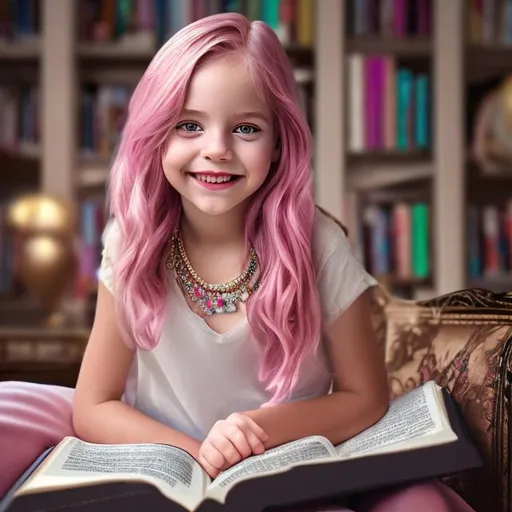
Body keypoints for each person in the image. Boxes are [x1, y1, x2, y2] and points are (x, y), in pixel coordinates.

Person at [0, 13, 475, 512]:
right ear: (156, 135)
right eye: (189, 125)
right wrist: (198, 455)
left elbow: (364, 396)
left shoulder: (318, 243)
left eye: (246, 128)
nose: (217, 150)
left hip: (280, 459)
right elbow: (93, 405)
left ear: (278, 145)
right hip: (158, 453)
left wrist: (258, 431)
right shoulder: (132, 241)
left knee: (421, 502)